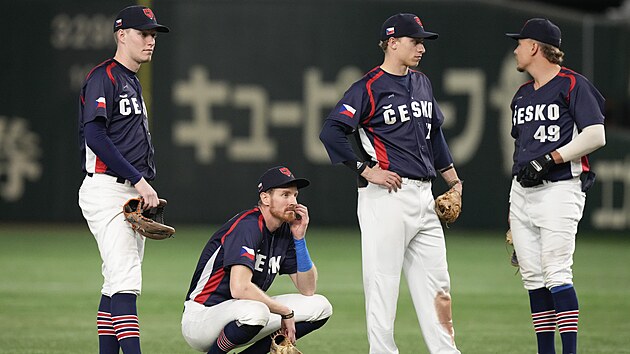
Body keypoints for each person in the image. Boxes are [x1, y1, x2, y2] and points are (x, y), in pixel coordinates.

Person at [319, 13, 462, 354]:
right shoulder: (367, 88)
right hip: (386, 198)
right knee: (383, 286)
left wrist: (453, 179)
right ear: (393, 42)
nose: (421, 48)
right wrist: (365, 169)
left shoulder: (422, 82)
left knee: (438, 285)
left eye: (423, 42)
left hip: (425, 197)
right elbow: (331, 131)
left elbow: (435, 134)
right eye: (416, 41)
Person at [505, 18, 606, 354]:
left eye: (520, 43)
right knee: (534, 278)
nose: (516, 49)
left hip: (560, 188)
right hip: (523, 192)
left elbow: (595, 135)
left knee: (557, 272)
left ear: (535, 47)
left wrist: (551, 159)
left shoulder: (573, 85)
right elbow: (522, 149)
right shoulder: (521, 95)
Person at [77, 5, 170, 354]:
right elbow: (96, 138)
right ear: (121, 35)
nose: (150, 41)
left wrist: (142, 185)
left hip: (130, 192)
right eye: (143, 33)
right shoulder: (105, 76)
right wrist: (139, 180)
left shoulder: (131, 81)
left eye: (153, 35)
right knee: (127, 281)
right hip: (106, 189)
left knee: (115, 282)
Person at [181, 166, 332, 353]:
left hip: (241, 313)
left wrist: (300, 239)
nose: (293, 201)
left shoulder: (285, 231)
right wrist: (284, 311)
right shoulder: (248, 226)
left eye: (295, 195)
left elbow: (308, 289)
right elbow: (240, 288)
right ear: (265, 198)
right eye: (285, 195)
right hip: (202, 317)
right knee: (257, 311)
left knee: (320, 306)